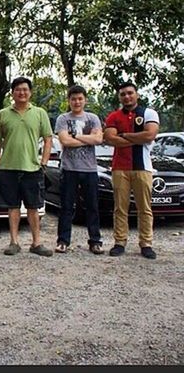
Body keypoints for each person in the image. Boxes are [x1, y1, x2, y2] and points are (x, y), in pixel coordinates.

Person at [0, 76, 54, 256]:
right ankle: (14, 242)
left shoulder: (39, 113)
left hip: (32, 168)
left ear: (30, 92)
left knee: (33, 207)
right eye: (18, 89)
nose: (22, 92)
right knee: (12, 207)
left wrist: (44, 161)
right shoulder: (3, 114)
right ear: (12, 93)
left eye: (25, 89)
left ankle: (36, 243)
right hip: (8, 168)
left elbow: (48, 138)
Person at [103, 81, 159, 259]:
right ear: (119, 97)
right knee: (120, 208)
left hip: (143, 167)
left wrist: (125, 136)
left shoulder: (148, 113)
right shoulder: (113, 116)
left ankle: (146, 243)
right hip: (119, 167)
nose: (126, 97)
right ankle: (120, 242)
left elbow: (150, 135)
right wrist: (138, 138)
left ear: (137, 94)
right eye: (123, 94)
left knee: (145, 207)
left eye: (129, 93)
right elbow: (110, 139)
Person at [54, 85, 104, 255]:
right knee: (66, 207)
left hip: (90, 169)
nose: (77, 102)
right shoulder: (62, 118)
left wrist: (75, 136)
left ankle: (95, 241)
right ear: (69, 101)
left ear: (85, 100)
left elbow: (98, 139)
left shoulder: (93, 118)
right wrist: (87, 139)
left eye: (80, 99)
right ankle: (63, 241)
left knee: (92, 207)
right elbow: (65, 142)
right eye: (73, 99)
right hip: (69, 169)